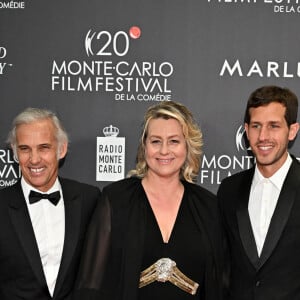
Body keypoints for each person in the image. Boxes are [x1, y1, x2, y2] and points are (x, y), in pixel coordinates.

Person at [73, 100, 225, 300]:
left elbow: (219, 286)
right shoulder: (116, 200)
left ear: (187, 146)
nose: (164, 150)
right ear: (144, 147)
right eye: (155, 141)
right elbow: (90, 285)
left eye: (174, 141)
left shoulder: (207, 206)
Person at [0, 107, 101, 300]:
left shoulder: (89, 199)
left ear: (61, 149)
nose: (34, 159)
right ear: (14, 153)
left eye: (44, 147)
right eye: (24, 149)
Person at [218, 85, 300, 300]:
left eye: (274, 126)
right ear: (246, 130)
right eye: (256, 126)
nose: (263, 136)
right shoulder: (229, 189)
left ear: (292, 130)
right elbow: (222, 262)